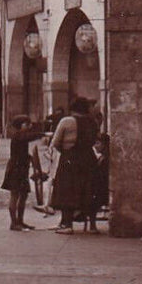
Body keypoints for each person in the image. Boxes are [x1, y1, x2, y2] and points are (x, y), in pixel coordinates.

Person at [47, 97, 98, 234]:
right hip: (88, 158)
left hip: (70, 159)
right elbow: (94, 140)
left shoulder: (67, 121)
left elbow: (56, 142)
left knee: (66, 190)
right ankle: (92, 225)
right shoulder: (93, 122)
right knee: (88, 189)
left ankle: (67, 224)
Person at [1, 115, 43, 230]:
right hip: (16, 168)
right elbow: (28, 137)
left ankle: (20, 221)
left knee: (23, 195)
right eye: (26, 124)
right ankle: (14, 222)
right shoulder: (18, 135)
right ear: (21, 125)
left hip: (21, 168)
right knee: (15, 195)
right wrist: (43, 134)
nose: (29, 126)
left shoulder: (20, 136)